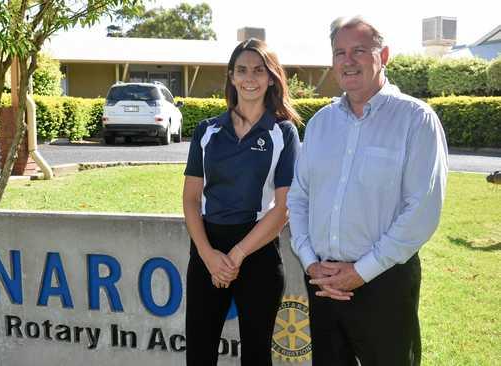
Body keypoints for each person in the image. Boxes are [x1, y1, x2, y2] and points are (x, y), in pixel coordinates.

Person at [287, 16, 448, 366]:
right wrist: (311, 262)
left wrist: (360, 272)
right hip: (323, 282)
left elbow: (422, 210)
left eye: (359, 50)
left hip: (384, 282)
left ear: (384, 55)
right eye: (339, 52)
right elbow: (299, 198)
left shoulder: (415, 120)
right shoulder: (320, 124)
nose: (348, 60)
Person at [182, 38, 302, 365]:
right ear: (232, 77)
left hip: (258, 250)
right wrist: (209, 256)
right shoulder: (207, 131)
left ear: (271, 77)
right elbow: (191, 199)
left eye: (258, 71)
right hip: (208, 250)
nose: (250, 78)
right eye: (242, 70)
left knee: (256, 356)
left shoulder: (283, 132)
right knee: (199, 353)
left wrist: (235, 256)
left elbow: (284, 208)